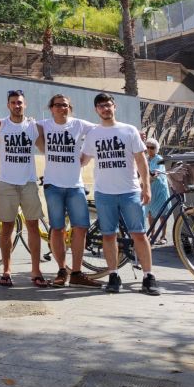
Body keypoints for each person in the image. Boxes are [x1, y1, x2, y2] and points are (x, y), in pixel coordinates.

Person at [82, 93, 160, 295]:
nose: (105, 109)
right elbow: (83, 160)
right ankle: (113, 274)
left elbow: (141, 160)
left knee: (139, 234)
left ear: (114, 107)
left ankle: (148, 276)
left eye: (108, 105)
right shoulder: (93, 134)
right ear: (96, 110)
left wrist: (146, 187)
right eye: (101, 106)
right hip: (104, 193)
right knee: (108, 236)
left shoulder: (129, 130)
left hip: (130, 192)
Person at [36, 94, 102, 288]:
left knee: (80, 228)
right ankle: (61, 270)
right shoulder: (44, 124)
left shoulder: (78, 124)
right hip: (53, 186)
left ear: (69, 108)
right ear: (51, 108)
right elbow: (21, 124)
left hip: (75, 186)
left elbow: (103, 130)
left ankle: (77, 272)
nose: (61, 108)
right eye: (57, 105)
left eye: (64, 105)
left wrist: (87, 156)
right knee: (57, 229)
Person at [0, 89, 45, 287]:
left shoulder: (32, 126)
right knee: (6, 228)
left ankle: (36, 271)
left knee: (33, 227)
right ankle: (6, 270)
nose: (17, 105)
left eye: (20, 102)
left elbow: (46, 148)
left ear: (25, 104)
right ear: (8, 105)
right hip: (7, 184)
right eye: (13, 102)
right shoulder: (2, 125)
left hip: (28, 183)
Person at [145, 137, 170, 245]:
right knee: (150, 213)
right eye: (148, 147)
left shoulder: (159, 159)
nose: (150, 149)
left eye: (152, 147)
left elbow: (156, 173)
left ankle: (163, 236)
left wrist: (146, 181)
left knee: (162, 214)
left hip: (159, 189)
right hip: (150, 189)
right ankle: (152, 234)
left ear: (156, 148)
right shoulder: (145, 159)